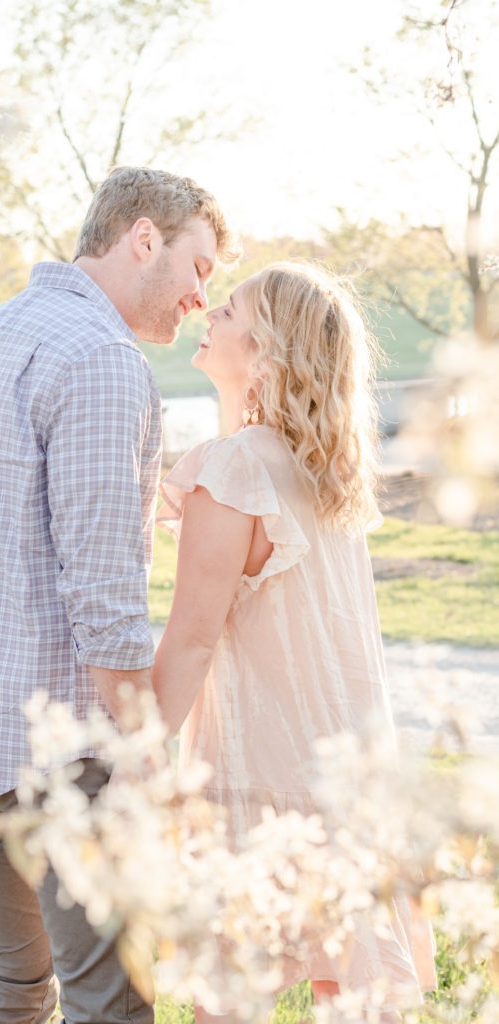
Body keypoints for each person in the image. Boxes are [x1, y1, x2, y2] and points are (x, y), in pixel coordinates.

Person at [0, 166, 237, 1024]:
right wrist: (145, 758)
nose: (202, 299)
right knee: (110, 1001)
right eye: (200, 268)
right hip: (62, 753)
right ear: (143, 238)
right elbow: (106, 601)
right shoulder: (102, 362)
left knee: (18, 982)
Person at [152, 261, 437, 1023]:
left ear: (267, 350)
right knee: (348, 993)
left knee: (231, 999)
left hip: (261, 777)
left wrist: (133, 754)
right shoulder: (323, 470)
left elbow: (189, 643)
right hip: (345, 776)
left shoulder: (239, 466)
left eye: (230, 309)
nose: (209, 312)